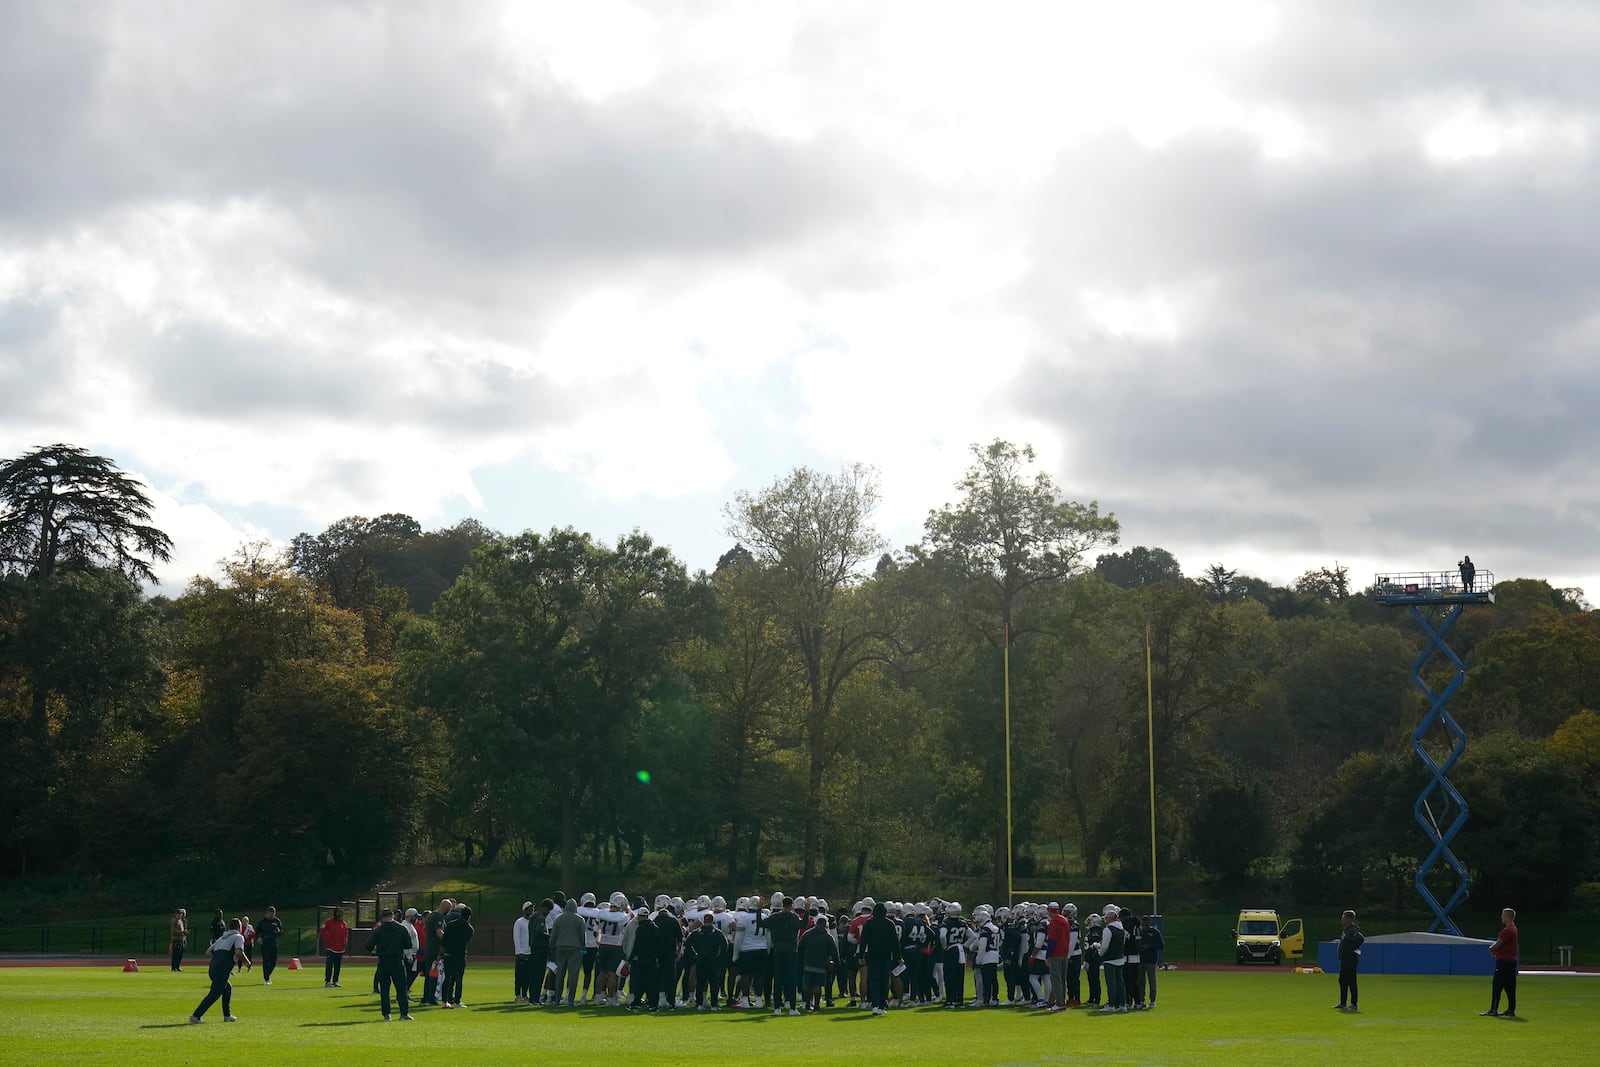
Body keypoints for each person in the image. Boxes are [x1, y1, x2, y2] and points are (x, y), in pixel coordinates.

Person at [189, 918, 249, 1023]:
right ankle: (196, 1015)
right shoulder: (238, 937)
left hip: (213, 968)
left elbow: (208, 952)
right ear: (239, 927)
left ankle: (227, 1015)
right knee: (214, 994)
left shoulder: (222, 938)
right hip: (221, 969)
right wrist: (247, 962)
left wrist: (219, 961)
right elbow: (239, 952)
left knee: (227, 988)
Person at [368, 908, 415, 1021]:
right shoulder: (401, 928)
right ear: (393, 916)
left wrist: (376, 950)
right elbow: (408, 944)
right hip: (397, 961)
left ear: (382, 918)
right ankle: (404, 1013)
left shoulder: (378, 930)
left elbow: (369, 945)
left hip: (383, 961)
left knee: (384, 989)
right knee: (401, 989)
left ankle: (386, 1014)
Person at [860, 901, 902, 1016]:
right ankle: (882, 1004)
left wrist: (861, 955)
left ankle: (874, 1004)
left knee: (873, 981)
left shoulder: (869, 923)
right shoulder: (889, 924)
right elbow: (895, 943)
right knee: (884, 981)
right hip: (886, 956)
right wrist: (899, 957)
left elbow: (863, 941)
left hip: (872, 956)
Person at [550, 898, 588, 1006]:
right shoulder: (580, 919)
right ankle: (570, 1000)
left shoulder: (558, 918)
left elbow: (553, 936)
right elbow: (582, 936)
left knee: (559, 974)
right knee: (573, 975)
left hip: (560, 948)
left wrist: (552, 949)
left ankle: (557, 999)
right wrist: (583, 949)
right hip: (575, 949)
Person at [1482, 907, 1519, 1018]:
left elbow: (1498, 944)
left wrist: (1491, 949)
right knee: (1510, 987)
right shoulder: (1514, 929)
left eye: (1503, 915)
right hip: (1511, 962)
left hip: (1504, 962)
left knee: (1497, 985)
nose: (1501, 917)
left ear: (1507, 917)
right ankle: (1511, 1009)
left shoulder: (1507, 930)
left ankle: (1494, 1009)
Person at [439, 904, 474, 1008]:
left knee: (447, 977)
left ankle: (445, 1000)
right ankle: (457, 1000)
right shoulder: (469, 928)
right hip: (460, 954)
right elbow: (466, 941)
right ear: (469, 916)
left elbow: (444, 940)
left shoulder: (450, 924)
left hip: (449, 954)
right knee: (458, 978)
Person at [419, 900, 452, 1006]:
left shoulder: (431, 916)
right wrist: (448, 941)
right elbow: (439, 932)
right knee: (433, 973)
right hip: (435, 949)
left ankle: (425, 997)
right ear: (446, 908)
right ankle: (431, 997)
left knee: (429, 972)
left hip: (429, 947)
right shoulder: (438, 917)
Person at [1335, 910, 1364, 1011]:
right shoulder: (1346, 930)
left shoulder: (1352, 930)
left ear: (1349, 919)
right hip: (1345, 958)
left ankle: (1354, 1004)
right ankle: (1343, 1003)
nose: (1342, 919)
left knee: (1351, 980)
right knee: (1342, 980)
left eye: (1343, 917)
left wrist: (1352, 948)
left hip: (1350, 958)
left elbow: (1361, 938)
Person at [1138, 915, 1164, 1010]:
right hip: (1140, 960)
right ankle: (1142, 1000)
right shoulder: (1140, 932)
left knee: (1152, 981)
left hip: (1151, 960)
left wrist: (1149, 946)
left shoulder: (1154, 932)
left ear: (1149, 923)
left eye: (1145, 923)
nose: (1144, 925)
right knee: (1141, 982)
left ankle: (1152, 1001)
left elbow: (1161, 945)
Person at [321, 906, 349, 987]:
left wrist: (344, 942)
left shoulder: (343, 923)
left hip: (340, 948)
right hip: (331, 948)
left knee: (337, 966)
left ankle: (335, 981)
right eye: (338, 912)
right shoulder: (329, 922)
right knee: (329, 965)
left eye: (341, 912)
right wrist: (329, 941)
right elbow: (323, 931)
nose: (339, 914)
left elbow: (346, 934)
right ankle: (327, 981)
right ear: (335, 913)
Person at [256, 906, 283, 985]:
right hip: (265, 942)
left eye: (273, 914)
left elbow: (281, 931)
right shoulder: (262, 922)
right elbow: (257, 931)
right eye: (270, 914)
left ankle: (268, 974)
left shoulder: (277, 921)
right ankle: (266, 978)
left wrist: (278, 932)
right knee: (266, 961)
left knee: (273, 961)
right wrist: (259, 938)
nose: (271, 916)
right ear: (267, 913)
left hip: (273, 942)